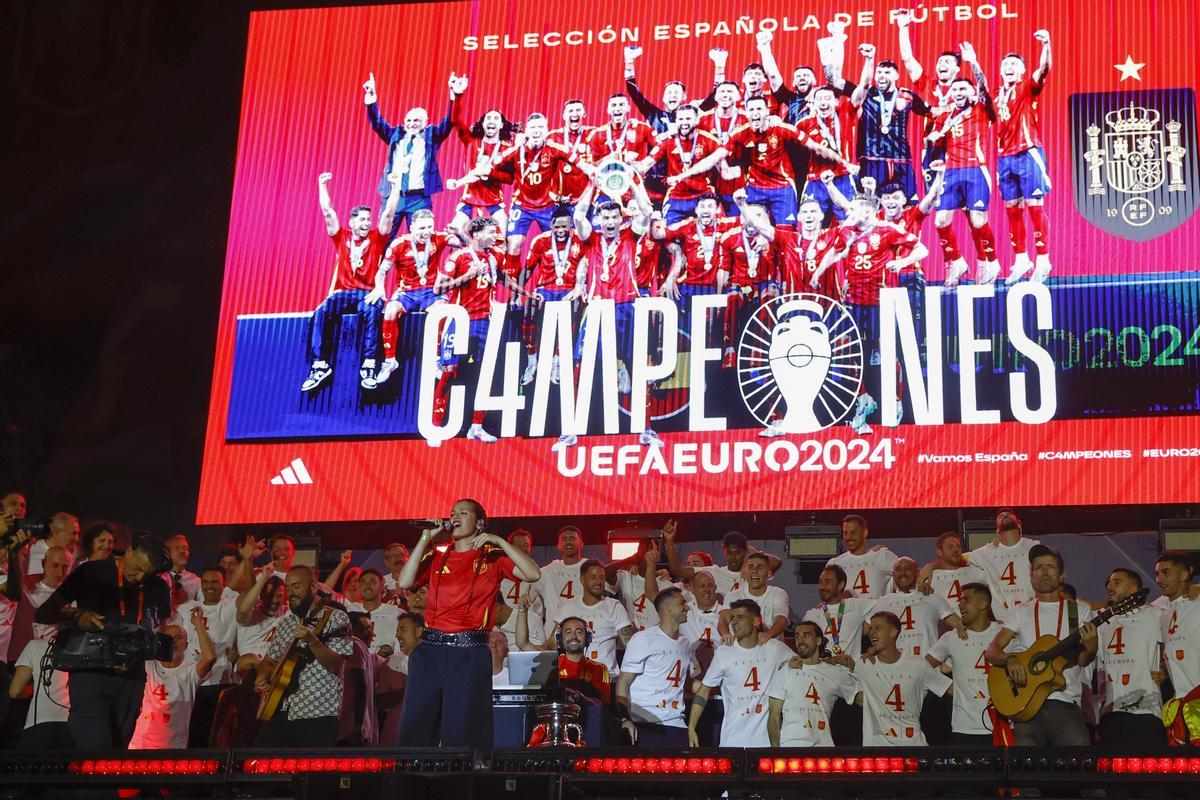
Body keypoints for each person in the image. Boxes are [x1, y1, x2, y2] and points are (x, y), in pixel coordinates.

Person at [394, 499, 542, 749]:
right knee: (416, 727)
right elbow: (406, 582)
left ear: (479, 522)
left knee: (461, 731)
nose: (455, 517)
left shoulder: (493, 557)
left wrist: (500, 541)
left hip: (468, 651)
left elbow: (533, 573)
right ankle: (411, 781)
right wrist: (424, 539)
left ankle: (462, 782)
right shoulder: (438, 555)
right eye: (452, 513)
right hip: (431, 648)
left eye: (463, 513)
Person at [34, 535, 173, 749]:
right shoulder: (92, 572)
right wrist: (78, 616)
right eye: (136, 568)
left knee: (116, 758)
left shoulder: (158, 587)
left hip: (131, 677)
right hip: (92, 673)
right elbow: (44, 613)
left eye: (146, 574)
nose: (138, 577)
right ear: (128, 550)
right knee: (94, 747)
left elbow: (159, 626)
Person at [813, 194, 927, 432]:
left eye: (852, 210)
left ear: (867, 212)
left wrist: (902, 264)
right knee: (848, 349)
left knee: (887, 353)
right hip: (854, 301)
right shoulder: (847, 230)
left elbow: (922, 249)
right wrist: (818, 273)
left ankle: (896, 402)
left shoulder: (888, 230)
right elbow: (835, 252)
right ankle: (864, 398)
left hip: (880, 303)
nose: (848, 213)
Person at [569, 178, 659, 448]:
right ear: (599, 219)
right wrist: (593, 185)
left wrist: (632, 184)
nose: (609, 222)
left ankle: (646, 429)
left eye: (613, 217)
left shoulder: (631, 236)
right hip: (598, 308)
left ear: (620, 220)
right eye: (605, 217)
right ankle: (572, 429)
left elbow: (648, 212)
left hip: (627, 307)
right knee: (580, 368)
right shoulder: (591, 239)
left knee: (638, 368)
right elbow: (577, 216)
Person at [984, 545, 1098, 746]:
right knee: (1026, 770)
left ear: (1062, 574)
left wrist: (1091, 648)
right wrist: (1010, 660)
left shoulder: (1078, 611)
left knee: (1078, 765)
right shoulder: (1020, 611)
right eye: (1038, 567)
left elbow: (1081, 661)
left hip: (1065, 702)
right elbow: (992, 651)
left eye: (1050, 567)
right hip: (1026, 704)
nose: (1044, 572)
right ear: (1031, 576)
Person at [430, 215, 529, 443]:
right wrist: (467, 276)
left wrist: (524, 292)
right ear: (476, 235)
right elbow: (438, 288)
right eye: (490, 232)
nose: (495, 236)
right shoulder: (458, 257)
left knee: (486, 375)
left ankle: (476, 426)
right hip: (460, 321)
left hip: (485, 321)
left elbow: (502, 277)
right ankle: (435, 427)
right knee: (448, 372)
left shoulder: (493, 257)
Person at [302, 172, 402, 392]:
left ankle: (368, 366)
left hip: (366, 293)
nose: (367, 222)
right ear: (352, 222)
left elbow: (389, 213)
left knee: (371, 312)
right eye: (362, 219)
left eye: (368, 219)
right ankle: (320, 365)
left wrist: (396, 187)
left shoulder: (378, 237)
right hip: (342, 292)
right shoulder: (341, 236)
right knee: (320, 313)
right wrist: (322, 185)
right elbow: (328, 212)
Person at [253, 566, 353, 747]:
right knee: (259, 762)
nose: (290, 593)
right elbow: (269, 661)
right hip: (280, 709)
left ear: (314, 587)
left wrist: (312, 641)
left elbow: (336, 665)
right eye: (288, 588)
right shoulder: (286, 623)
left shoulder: (335, 618)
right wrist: (262, 676)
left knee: (310, 773)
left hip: (317, 714)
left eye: (296, 587)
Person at [364, 71, 466, 236]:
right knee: (384, 239)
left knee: (421, 239)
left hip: (419, 198)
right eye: (409, 121)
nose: (412, 124)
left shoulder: (432, 136)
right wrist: (371, 99)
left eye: (417, 120)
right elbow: (376, 122)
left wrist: (454, 95)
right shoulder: (395, 134)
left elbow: (450, 121)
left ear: (426, 123)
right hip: (393, 196)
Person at [928, 59, 1000, 287]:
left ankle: (991, 261)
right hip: (951, 173)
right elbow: (936, 148)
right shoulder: (944, 118)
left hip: (976, 171)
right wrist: (933, 143)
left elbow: (984, 86)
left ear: (972, 93)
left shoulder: (981, 109)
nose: (958, 92)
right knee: (940, 221)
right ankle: (956, 261)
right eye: (955, 89)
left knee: (978, 222)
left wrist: (975, 63)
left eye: (963, 88)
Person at [832, 611, 952, 746]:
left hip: (913, 746)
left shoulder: (918, 665)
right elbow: (825, 667)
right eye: (871, 628)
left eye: (878, 628)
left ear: (893, 633)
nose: (871, 633)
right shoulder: (864, 663)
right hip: (878, 751)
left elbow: (949, 689)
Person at [689, 598, 792, 746]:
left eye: (740, 617)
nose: (734, 622)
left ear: (756, 621)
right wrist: (692, 727)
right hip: (732, 742)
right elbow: (704, 691)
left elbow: (804, 666)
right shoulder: (724, 653)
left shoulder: (775, 649)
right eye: (732, 618)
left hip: (767, 745)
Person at [370, 209, 455, 386]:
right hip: (406, 292)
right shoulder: (398, 244)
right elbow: (382, 272)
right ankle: (390, 361)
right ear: (412, 227)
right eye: (422, 228)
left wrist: (458, 231)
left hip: (431, 291)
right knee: (390, 312)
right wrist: (379, 288)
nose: (426, 232)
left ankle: (436, 360)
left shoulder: (438, 237)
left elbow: (463, 243)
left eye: (430, 227)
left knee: (441, 312)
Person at [996, 31, 1054, 284]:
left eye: (1014, 65)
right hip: (1003, 157)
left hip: (1028, 152)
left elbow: (1045, 67)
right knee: (1012, 209)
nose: (1009, 68)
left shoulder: (1027, 87)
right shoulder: (998, 97)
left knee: (1034, 206)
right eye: (1005, 65)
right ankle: (1021, 259)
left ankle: (1043, 259)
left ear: (1022, 71)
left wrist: (1046, 44)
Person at [615, 587, 698, 745]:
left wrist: (711, 687)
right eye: (682, 603)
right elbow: (623, 682)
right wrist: (625, 719)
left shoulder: (685, 643)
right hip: (647, 725)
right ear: (667, 607)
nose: (687, 607)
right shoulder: (643, 639)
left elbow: (683, 683)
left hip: (677, 724)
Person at [925, 582, 1004, 744]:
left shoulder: (1004, 634)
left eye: (966, 600)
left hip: (1002, 726)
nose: (959, 604)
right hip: (964, 729)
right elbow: (921, 668)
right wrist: (944, 685)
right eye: (960, 600)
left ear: (984, 604)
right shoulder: (951, 638)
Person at [1094, 567, 1165, 746]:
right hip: (1111, 712)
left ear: (1134, 589)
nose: (1110, 587)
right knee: (1113, 772)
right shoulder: (1101, 622)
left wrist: (1163, 667)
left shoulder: (1153, 615)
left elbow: (1175, 638)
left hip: (1146, 710)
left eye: (1117, 583)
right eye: (1108, 583)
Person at [128, 606, 216, 749]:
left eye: (178, 638)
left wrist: (198, 623)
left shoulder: (190, 671)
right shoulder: (148, 666)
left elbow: (210, 658)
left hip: (174, 747)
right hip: (141, 744)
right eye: (168, 639)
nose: (173, 642)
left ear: (186, 645)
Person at [520, 206, 587, 387]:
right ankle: (532, 361)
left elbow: (587, 265)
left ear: (571, 225)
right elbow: (527, 270)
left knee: (573, 308)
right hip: (545, 290)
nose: (560, 231)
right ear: (551, 225)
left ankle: (557, 362)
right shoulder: (540, 241)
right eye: (557, 226)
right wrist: (520, 293)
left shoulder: (580, 240)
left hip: (568, 290)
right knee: (529, 306)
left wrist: (580, 288)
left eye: (565, 227)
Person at [174, 566, 238, 746]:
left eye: (215, 582)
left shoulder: (230, 607)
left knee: (215, 736)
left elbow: (247, 603)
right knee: (191, 733)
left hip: (218, 681)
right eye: (206, 582)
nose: (210, 586)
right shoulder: (185, 609)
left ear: (224, 585)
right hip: (190, 681)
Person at [767, 620, 857, 747]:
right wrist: (776, 753)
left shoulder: (834, 673)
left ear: (818, 641)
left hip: (823, 749)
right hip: (791, 748)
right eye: (797, 636)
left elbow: (861, 699)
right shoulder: (785, 671)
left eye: (806, 635)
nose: (800, 640)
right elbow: (774, 716)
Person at [637, 104, 722, 224]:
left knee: (710, 233)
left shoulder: (709, 140)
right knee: (669, 238)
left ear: (697, 120)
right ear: (676, 121)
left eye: (688, 119)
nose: (684, 123)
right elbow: (645, 165)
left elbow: (723, 169)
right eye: (680, 119)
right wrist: (631, 165)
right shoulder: (668, 141)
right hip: (676, 196)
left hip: (703, 195)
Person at [548, 559, 635, 674]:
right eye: (593, 577)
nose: (599, 582)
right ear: (582, 579)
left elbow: (630, 644)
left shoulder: (614, 606)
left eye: (601, 577)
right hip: (574, 676)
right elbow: (553, 642)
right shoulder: (568, 606)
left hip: (606, 677)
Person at [871, 557, 960, 657]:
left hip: (927, 668)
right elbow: (867, 632)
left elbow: (961, 627)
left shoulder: (931, 597)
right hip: (894, 670)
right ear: (893, 574)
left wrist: (949, 659)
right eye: (898, 569)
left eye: (908, 569)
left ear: (917, 572)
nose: (903, 573)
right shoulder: (883, 603)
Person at [449, 106, 516, 238]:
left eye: (496, 118)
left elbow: (510, 179)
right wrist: (457, 95)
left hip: (494, 202)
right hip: (469, 200)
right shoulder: (471, 141)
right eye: (488, 118)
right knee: (453, 237)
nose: (492, 120)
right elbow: (455, 119)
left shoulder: (508, 148)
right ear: (483, 123)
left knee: (503, 240)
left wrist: (490, 173)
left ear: (502, 125)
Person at [968, 508, 1040, 622]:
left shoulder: (1033, 546)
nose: (1005, 515)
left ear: (1019, 524)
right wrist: (931, 567)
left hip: (1030, 617)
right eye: (1001, 516)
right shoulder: (986, 552)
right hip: (1002, 623)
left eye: (1009, 514)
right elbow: (957, 559)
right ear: (996, 529)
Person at [1157, 552, 1200, 721]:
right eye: (1157, 574)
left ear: (1184, 574)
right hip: (1181, 704)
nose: (1159, 579)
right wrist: (1163, 672)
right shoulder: (1162, 614)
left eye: (1165, 573)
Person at [9, 635, 72, 749]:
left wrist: (37, 685)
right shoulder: (84, 645)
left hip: (41, 723)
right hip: (76, 725)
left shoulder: (35, 645)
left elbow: (15, 691)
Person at [802, 565, 873, 658]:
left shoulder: (857, 606)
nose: (822, 586)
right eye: (820, 582)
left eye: (827, 582)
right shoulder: (810, 615)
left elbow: (886, 606)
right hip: (821, 670)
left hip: (849, 670)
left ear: (840, 585)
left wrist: (874, 649)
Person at [719, 553, 790, 642]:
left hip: (769, 648)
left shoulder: (778, 593)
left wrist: (768, 635)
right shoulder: (732, 595)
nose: (754, 571)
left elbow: (781, 621)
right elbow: (723, 619)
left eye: (759, 567)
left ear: (769, 574)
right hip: (741, 649)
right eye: (751, 567)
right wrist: (725, 634)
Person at [826, 514, 899, 599]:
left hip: (877, 612)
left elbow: (907, 580)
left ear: (864, 533)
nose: (849, 537)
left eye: (853, 532)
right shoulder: (835, 563)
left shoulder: (883, 556)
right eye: (845, 533)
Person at [919, 530, 989, 608]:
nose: (956, 550)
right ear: (939, 552)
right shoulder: (930, 578)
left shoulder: (975, 572)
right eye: (951, 546)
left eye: (958, 546)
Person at [539, 525, 586, 626]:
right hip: (553, 633)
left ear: (581, 544)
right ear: (558, 545)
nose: (568, 542)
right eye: (564, 539)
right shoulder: (549, 570)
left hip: (582, 628)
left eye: (572, 538)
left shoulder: (590, 568)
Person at [347, 568, 401, 656]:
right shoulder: (349, 611)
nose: (367, 586)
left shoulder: (396, 613)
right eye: (363, 582)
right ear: (359, 587)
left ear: (382, 586)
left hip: (385, 666)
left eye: (373, 582)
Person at [165, 534, 201, 602]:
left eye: (185, 548)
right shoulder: (159, 579)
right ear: (167, 553)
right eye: (177, 548)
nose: (182, 551)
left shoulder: (197, 582)